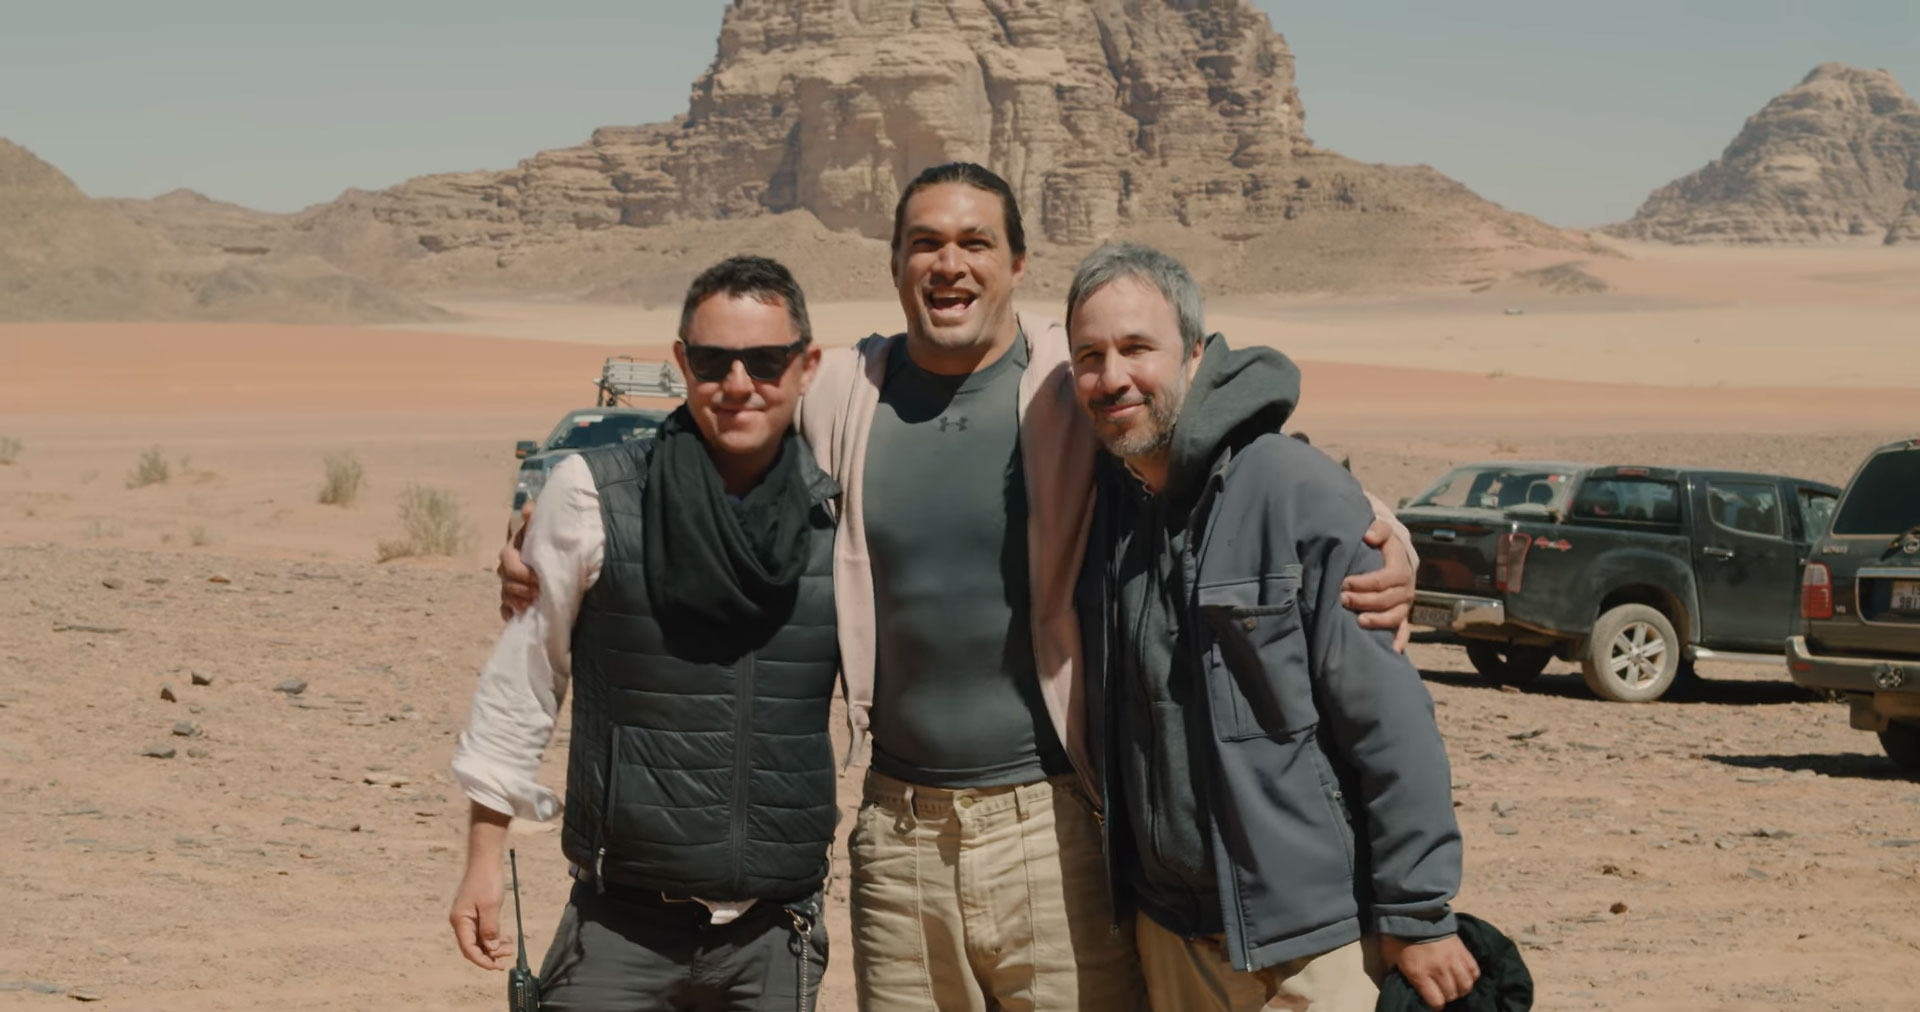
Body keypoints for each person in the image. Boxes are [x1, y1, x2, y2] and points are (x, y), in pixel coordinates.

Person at [497, 163, 1421, 1012]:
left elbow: (1217, 437)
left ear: (1018, 260)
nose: (950, 264)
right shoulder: (842, 393)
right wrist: (546, 530)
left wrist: (1377, 526)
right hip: (897, 834)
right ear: (895, 262)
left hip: (1055, 826)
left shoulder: (1074, 376)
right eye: (925, 244)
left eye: (975, 243)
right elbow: (717, 421)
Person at [1066, 242, 1476, 1012]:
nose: (1112, 376)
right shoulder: (1110, 511)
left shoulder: (1295, 489)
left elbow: (1391, 725)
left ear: (1193, 352)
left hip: (1310, 945)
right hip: (1173, 937)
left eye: (1135, 349)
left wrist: (1418, 915)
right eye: (1088, 355)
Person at [449, 255, 837, 1011]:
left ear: (805, 366)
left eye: (764, 361)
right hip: (618, 928)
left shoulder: (838, 519)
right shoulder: (595, 494)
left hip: (773, 935)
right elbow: (524, 680)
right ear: (681, 364)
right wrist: (482, 858)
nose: (737, 384)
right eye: (714, 361)